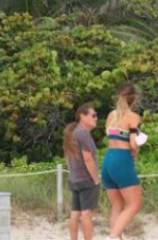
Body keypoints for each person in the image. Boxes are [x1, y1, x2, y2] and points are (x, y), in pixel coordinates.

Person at [100, 82, 143, 240]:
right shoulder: (134, 117)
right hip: (122, 159)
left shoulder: (111, 115)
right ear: (134, 98)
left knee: (117, 205)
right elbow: (132, 143)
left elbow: (110, 135)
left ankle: (115, 236)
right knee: (134, 204)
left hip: (108, 159)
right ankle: (112, 237)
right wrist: (138, 145)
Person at [63, 103, 101, 240]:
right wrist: (96, 179)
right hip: (86, 179)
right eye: (93, 115)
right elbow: (88, 159)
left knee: (75, 213)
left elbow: (68, 158)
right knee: (86, 215)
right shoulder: (83, 134)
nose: (96, 118)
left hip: (74, 179)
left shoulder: (72, 133)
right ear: (82, 116)